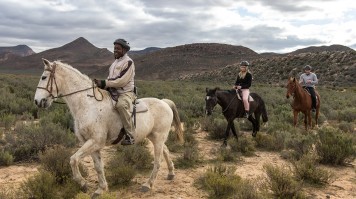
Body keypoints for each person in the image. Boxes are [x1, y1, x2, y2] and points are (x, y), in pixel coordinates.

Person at [94, 38, 136, 145]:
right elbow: (110, 79)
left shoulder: (128, 62)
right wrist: (101, 86)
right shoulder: (114, 64)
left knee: (121, 105)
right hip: (113, 91)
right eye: (114, 48)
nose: (115, 50)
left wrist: (104, 83)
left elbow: (121, 81)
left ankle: (130, 135)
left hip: (125, 93)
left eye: (118, 48)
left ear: (124, 50)